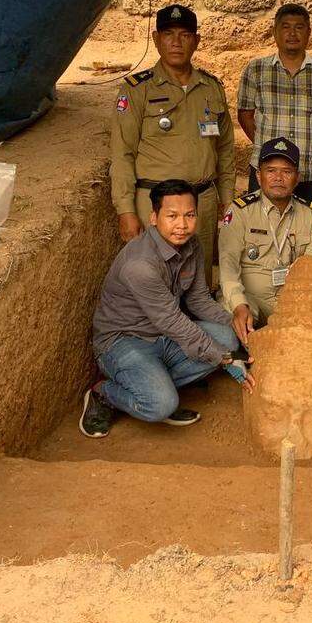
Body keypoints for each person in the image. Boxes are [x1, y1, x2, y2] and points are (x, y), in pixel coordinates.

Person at [81, 180, 254, 439]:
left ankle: (154, 383)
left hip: (164, 337)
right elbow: (171, 321)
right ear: (154, 217)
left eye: (189, 215)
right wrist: (224, 358)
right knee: (160, 405)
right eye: (172, 216)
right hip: (124, 341)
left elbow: (198, 301)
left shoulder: (192, 245)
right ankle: (104, 393)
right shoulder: (140, 264)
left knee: (227, 337)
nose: (182, 225)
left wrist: (240, 327)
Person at [109, 4, 234, 265]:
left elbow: (224, 149)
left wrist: (227, 199)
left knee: (199, 283)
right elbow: (122, 154)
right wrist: (126, 211)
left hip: (202, 204)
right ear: (156, 39)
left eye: (185, 35)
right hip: (156, 205)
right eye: (168, 34)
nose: (176, 42)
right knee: (155, 282)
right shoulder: (137, 89)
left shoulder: (211, 88)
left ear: (196, 41)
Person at [219, 136, 312, 344]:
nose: (278, 177)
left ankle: (274, 342)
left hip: (291, 304)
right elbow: (228, 269)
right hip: (253, 302)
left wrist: (302, 306)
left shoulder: (308, 213)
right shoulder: (240, 211)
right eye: (271, 171)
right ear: (259, 176)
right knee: (231, 313)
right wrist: (239, 305)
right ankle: (289, 341)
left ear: (296, 178)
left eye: (286, 171)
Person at [237, 4, 312, 224]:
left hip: (309, 170)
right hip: (265, 171)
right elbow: (245, 114)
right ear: (275, 31)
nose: (292, 34)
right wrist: (263, 144)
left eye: (299, 27)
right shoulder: (255, 70)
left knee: (309, 237)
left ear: (309, 32)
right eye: (285, 27)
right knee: (260, 235)